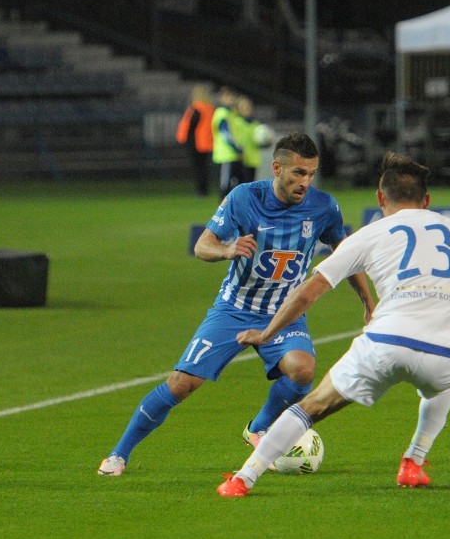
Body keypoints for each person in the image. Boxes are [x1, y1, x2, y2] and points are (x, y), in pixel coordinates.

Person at [216, 152, 450, 497]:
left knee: (313, 406)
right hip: (449, 355)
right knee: (446, 379)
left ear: (381, 200)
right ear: (427, 201)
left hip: (386, 343)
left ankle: (242, 478)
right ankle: (414, 462)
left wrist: (268, 333)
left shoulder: (368, 235)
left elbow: (309, 291)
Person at [98, 132, 375, 477]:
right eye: (298, 174)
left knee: (303, 371)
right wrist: (227, 250)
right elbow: (203, 245)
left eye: (311, 174)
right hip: (234, 309)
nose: (306, 182)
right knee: (181, 384)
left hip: (285, 312)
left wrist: (367, 301)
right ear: (276, 168)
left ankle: (258, 428)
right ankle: (118, 454)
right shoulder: (244, 198)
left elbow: (345, 254)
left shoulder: (323, 207)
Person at [176, 84, 216, 196]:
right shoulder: (211, 109)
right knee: (204, 167)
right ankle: (204, 189)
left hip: (196, 143)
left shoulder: (196, 109)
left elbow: (188, 126)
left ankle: (201, 191)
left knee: (198, 168)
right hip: (207, 142)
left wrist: (182, 139)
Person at [212, 86, 244, 200]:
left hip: (233, 153)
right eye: (228, 97)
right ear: (222, 98)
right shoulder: (222, 113)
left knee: (234, 181)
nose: (231, 99)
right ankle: (222, 205)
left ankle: (232, 204)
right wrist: (237, 148)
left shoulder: (232, 113)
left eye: (232, 96)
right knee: (225, 182)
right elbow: (225, 134)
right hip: (226, 153)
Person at [236, 95, 263, 183]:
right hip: (241, 158)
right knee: (242, 184)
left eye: (248, 107)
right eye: (244, 107)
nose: (247, 109)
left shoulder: (256, 124)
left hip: (253, 159)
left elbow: (260, 141)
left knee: (251, 183)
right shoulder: (237, 122)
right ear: (239, 109)